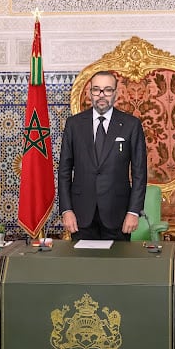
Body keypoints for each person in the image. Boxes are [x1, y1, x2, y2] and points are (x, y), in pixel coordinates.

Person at [58, 70, 147, 240]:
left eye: (107, 90)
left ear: (116, 93)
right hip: (80, 215)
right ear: (89, 92)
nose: (101, 95)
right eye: (96, 89)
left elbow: (139, 174)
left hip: (118, 215)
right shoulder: (74, 124)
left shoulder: (131, 125)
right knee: (85, 265)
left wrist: (133, 211)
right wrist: (66, 210)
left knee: (117, 266)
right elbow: (64, 171)